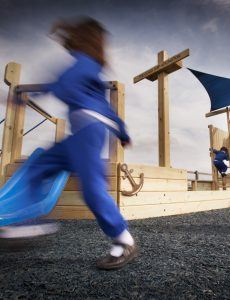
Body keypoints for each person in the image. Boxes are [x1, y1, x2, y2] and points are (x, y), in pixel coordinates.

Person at [1, 17, 137, 270]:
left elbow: (62, 85)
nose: (66, 45)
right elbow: (107, 108)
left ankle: (124, 239)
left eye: (69, 41)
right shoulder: (87, 68)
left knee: (92, 189)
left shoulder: (85, 65)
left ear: (80, 41)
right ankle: (27, 223)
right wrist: (123, 132)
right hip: (83, 133)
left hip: (89, 131)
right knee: (37, 166)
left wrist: (32, 95)